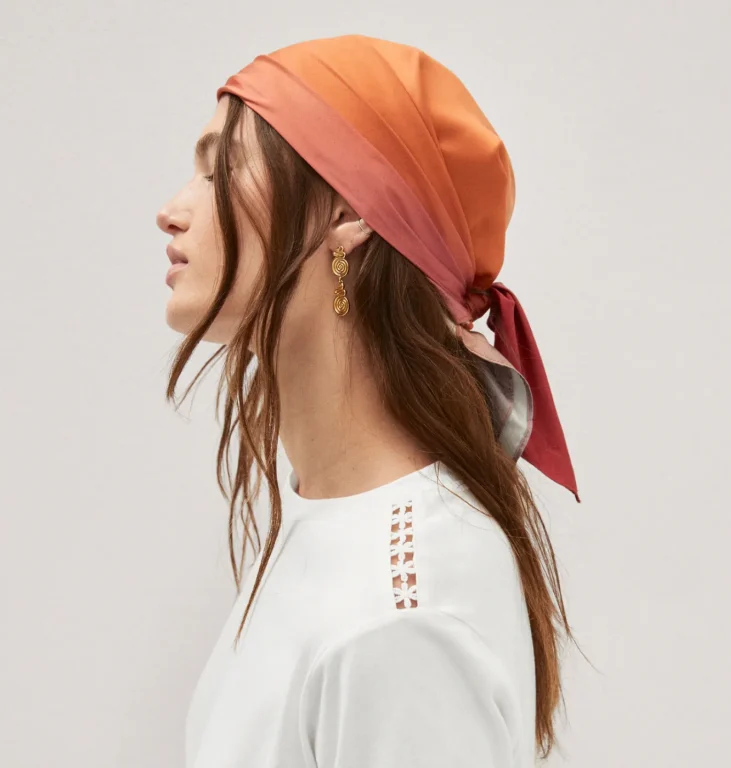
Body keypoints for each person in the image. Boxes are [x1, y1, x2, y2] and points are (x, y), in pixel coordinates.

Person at [156, 33, 581, 768]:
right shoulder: (328, 520)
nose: (172, 211)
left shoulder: (399, 616)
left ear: (349, 215)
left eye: (223, 167)